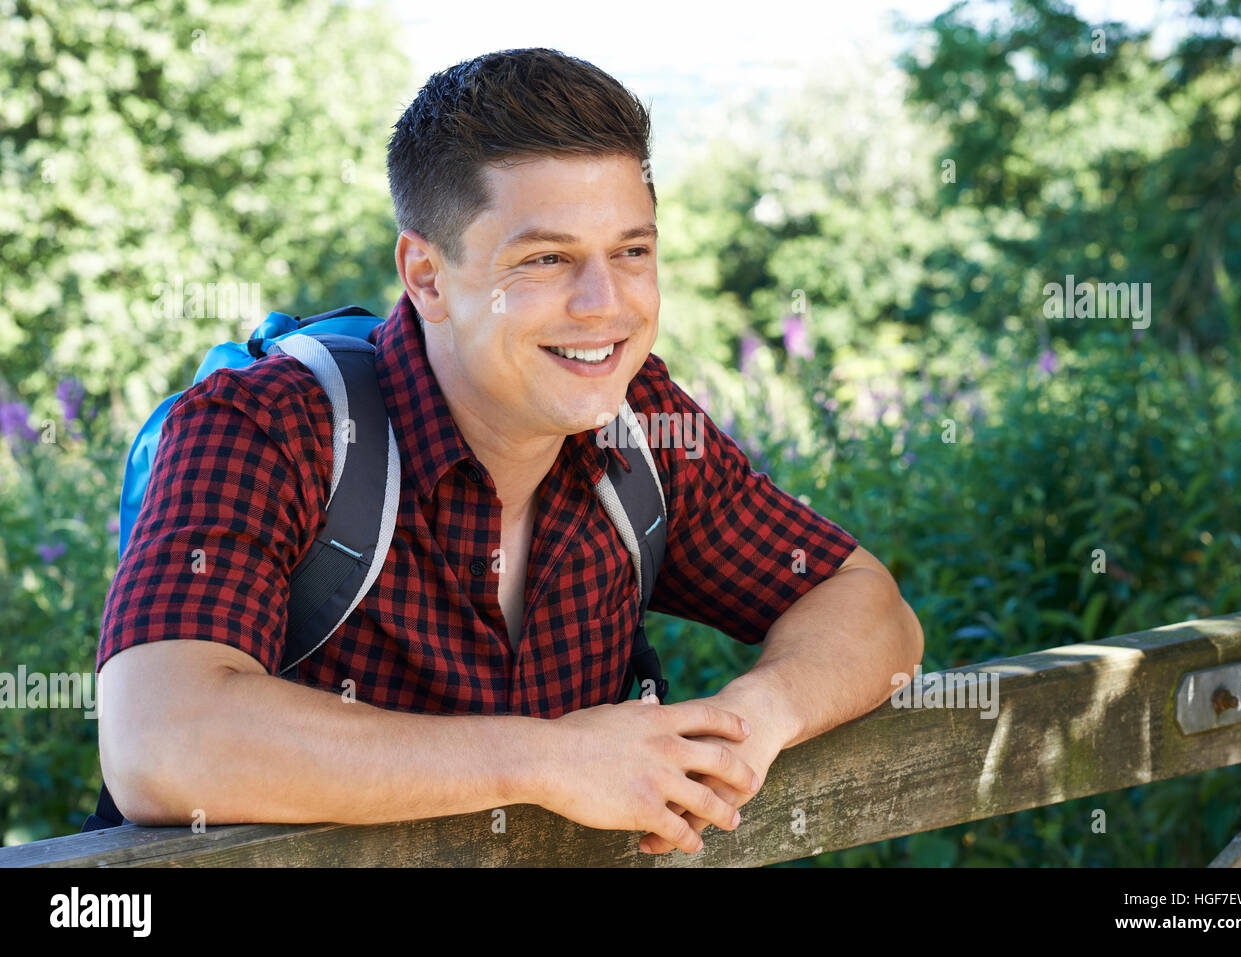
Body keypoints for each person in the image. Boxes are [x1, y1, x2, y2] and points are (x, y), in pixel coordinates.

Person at [96, 47, 924, 856]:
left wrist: (751, 725)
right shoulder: (271, 426)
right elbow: (162, 743)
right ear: (426, 275)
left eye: (632, 251)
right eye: (546, 258)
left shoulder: (639, 424)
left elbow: (867, 605)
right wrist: (550, 759)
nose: (605, 305)